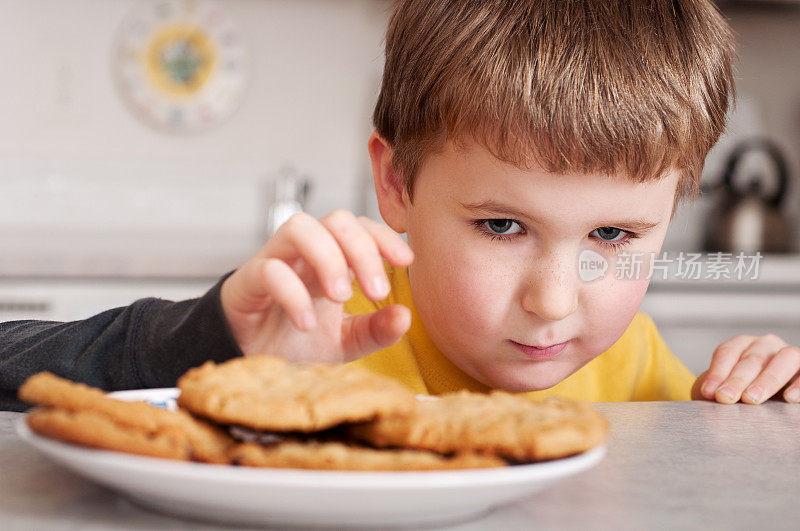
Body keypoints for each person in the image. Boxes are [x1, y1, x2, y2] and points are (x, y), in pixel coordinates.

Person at [3, 0, 798, 412]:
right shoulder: (309, 328)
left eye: (614, 233)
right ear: (396, 185)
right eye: (501, 225)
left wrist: (764, 401)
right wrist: (202, 342)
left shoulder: (638, 365)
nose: (554, 302)